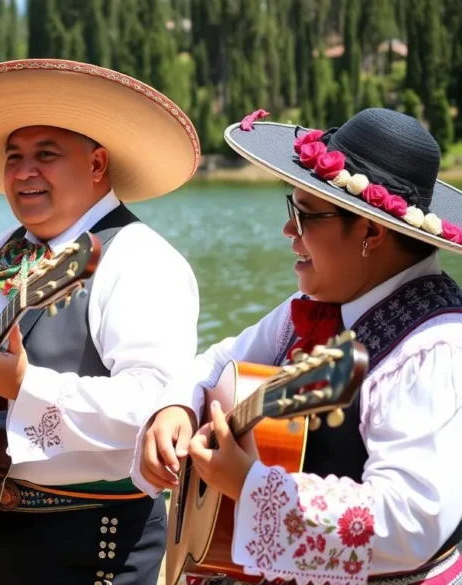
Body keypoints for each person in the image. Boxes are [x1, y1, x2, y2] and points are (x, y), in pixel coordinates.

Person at [0, 58, 201, 584]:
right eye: (15, 157)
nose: (25, 171)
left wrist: (26, 386)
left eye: (46, 155)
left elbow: (154, 404)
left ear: (97, 165)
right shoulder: (5, 249)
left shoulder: (141, 260)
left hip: (94, 538)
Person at [134, 107, 462, 585]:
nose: (289, 231)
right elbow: (221, 360)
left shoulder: (433, 350)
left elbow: (411, 523)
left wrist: (249, 487)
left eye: (305, 216)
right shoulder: (316, 304)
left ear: (371, 231)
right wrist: (177, 407)